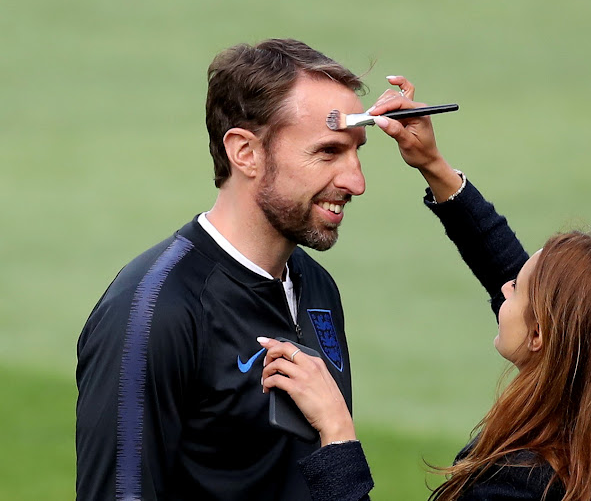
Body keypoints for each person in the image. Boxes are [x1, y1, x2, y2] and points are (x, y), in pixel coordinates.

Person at [259, 77, 591, 500]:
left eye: (518, 287)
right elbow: (509, 268)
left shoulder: (520, 487)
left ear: (541, 336)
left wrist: (337, 435)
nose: (503, 284)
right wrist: (433, 165)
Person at [76, 39, 371, 500]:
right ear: (245, 152)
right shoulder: (155, 310)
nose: (356, 181)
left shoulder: (316, 287)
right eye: (328, 152)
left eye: (357, 152)